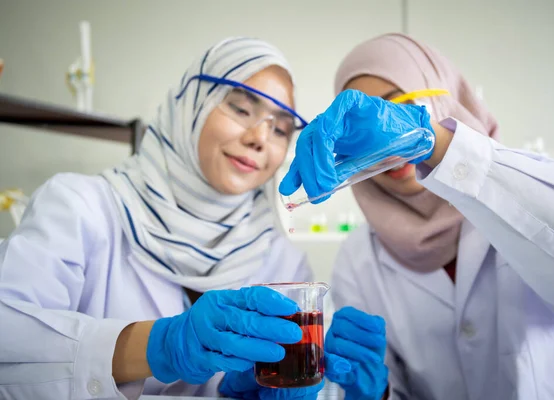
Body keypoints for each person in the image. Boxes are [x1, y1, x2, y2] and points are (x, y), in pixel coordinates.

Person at [0, 37, 349, 399]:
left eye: (279, 129)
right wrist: (156, 346)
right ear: (191, 106)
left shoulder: (283, 261)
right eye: (242, 109)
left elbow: (321, 387)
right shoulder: (80, 207)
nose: (259, 137)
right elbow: (6, 341)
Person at [280, 33, 554, 399]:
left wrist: (433, 142)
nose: (384, 150)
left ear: (444, 99)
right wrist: (379, 391)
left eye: (393, 109)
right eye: (364, 134)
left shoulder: (525, 191)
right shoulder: (358, 258)